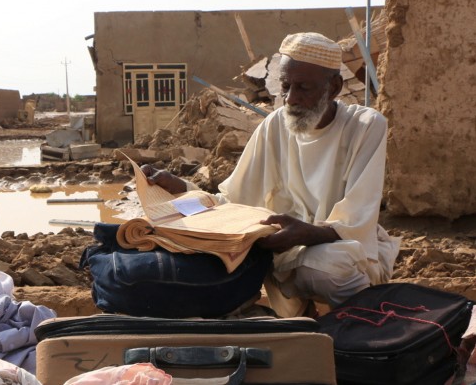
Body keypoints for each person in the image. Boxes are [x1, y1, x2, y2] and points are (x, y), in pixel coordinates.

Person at [141, 32, 401, 318]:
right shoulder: (276, 124)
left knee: (326, 266)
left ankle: (363, 329)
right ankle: (306, 327)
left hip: (342, 252)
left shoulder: (365, 126)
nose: (291, 98)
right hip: (286, 251)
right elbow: (234, 202)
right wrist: (181, 189)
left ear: (335, 87)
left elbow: (356, 222)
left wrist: (305, 233)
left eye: (303, 87)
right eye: (286, 86)